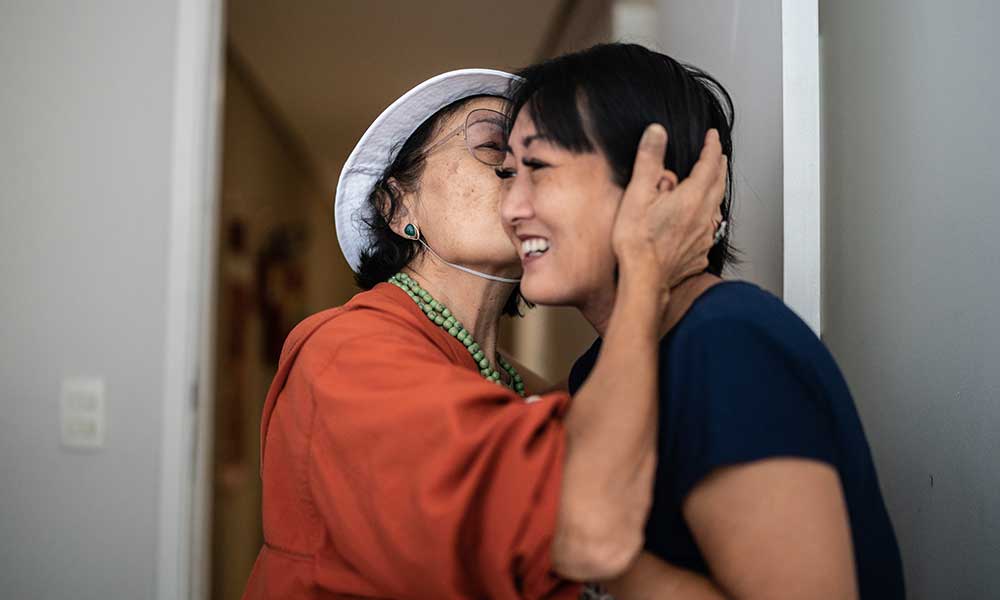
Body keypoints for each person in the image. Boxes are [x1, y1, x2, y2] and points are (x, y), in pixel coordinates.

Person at [241, 67, 727, 599]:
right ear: (397, 205)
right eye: (495, 147)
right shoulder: (346, 352)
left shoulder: (530, 387)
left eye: (537, 159)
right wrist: (646, 269)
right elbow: (582, 524)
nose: (521, 175)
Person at [499, 43, 905, 599]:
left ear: (657, 189)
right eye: (507, 174)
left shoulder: (731, 343)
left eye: (538, 168)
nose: (510, 207)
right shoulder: (602, 367)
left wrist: (594, 552)